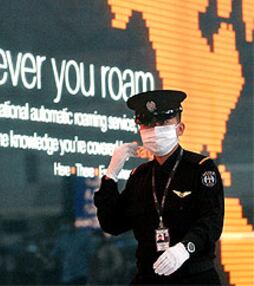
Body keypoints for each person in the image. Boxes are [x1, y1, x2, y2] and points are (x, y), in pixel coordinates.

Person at [93, 90, 224, 285]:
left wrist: (184, 248)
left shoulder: (200, 168)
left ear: (180, 129)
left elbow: (212, 220)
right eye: (148, 124)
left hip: (193, 276)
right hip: (149, 277)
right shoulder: (141, 177)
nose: (155, 131)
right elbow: (112, 224)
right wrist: (111, 174)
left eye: (163, 124)